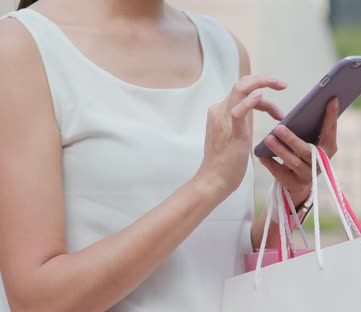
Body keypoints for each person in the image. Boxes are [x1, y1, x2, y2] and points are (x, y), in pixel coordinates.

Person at [0, 0, 340, 310]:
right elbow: (36, 302)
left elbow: (228, 251)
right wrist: (208, 185)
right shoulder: (22, 46)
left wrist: (292, 198)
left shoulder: (225, 49)